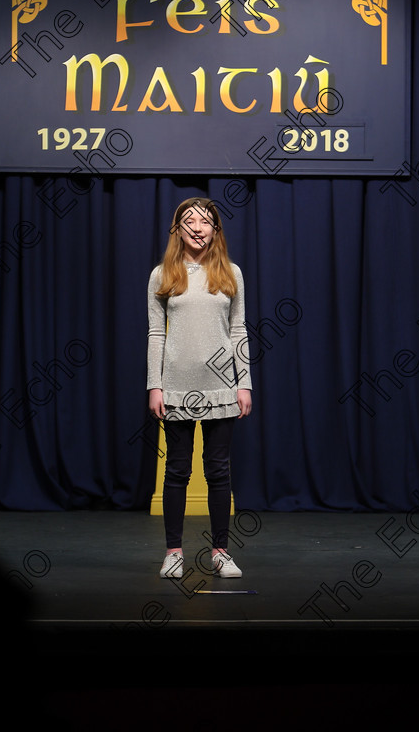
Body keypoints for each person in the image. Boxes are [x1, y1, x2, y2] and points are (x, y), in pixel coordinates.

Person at [147, 197, 252, 579]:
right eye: (189, 220)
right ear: (178, 230)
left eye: (205, 221)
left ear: (215, 230)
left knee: (218, 471)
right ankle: (174, 552)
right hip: (175, 384)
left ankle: (220, 552)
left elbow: (238, 330)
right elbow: (156, 333)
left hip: (223, 386)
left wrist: (245, 384)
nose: (197, 226)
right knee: (177, 470)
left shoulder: (231, 273)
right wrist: (154, 385)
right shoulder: (162, 274)